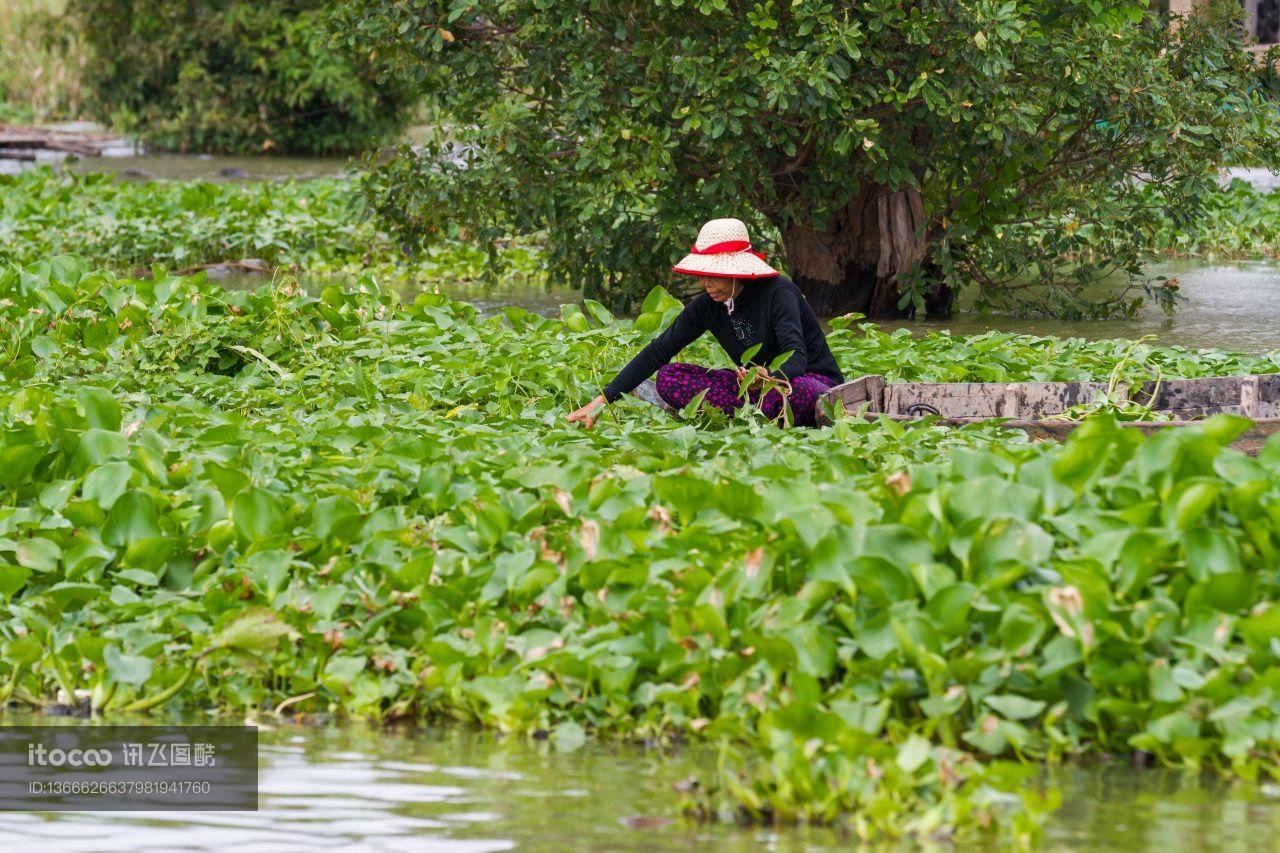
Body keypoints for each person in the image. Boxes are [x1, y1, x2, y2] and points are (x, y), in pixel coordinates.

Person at [566, 217, 845, 429]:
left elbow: (797, 356)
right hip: (752, 393)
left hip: (806, 382)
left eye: (714, 274)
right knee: (669, 377)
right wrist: (601, 402)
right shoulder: (707, 306)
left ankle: (756, 412)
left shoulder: (778, 292)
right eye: (703, 274)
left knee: (801, 394)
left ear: (736, 271)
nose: (706, 283)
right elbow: (658, 351)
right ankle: (753, 414)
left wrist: (770, 378)